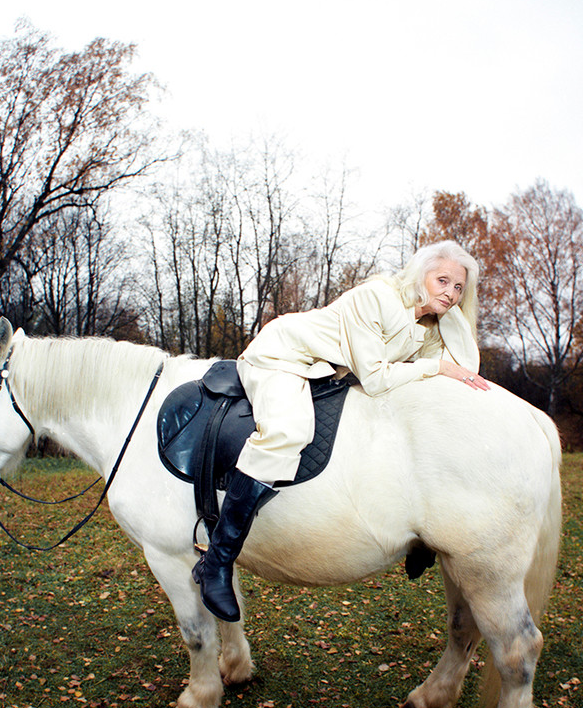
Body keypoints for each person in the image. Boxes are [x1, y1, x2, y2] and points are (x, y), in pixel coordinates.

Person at [192, 240, 490, 622]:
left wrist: (453, 328)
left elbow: (461, 367)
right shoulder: (376, 298)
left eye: (459, 288)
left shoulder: (430, 325)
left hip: (324, 373)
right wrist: (436, 368)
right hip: (285, 356)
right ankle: (217, 560)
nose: (450, 292)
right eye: (442, 280)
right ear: (420, 275)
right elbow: (380, 377)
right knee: (286, 430)